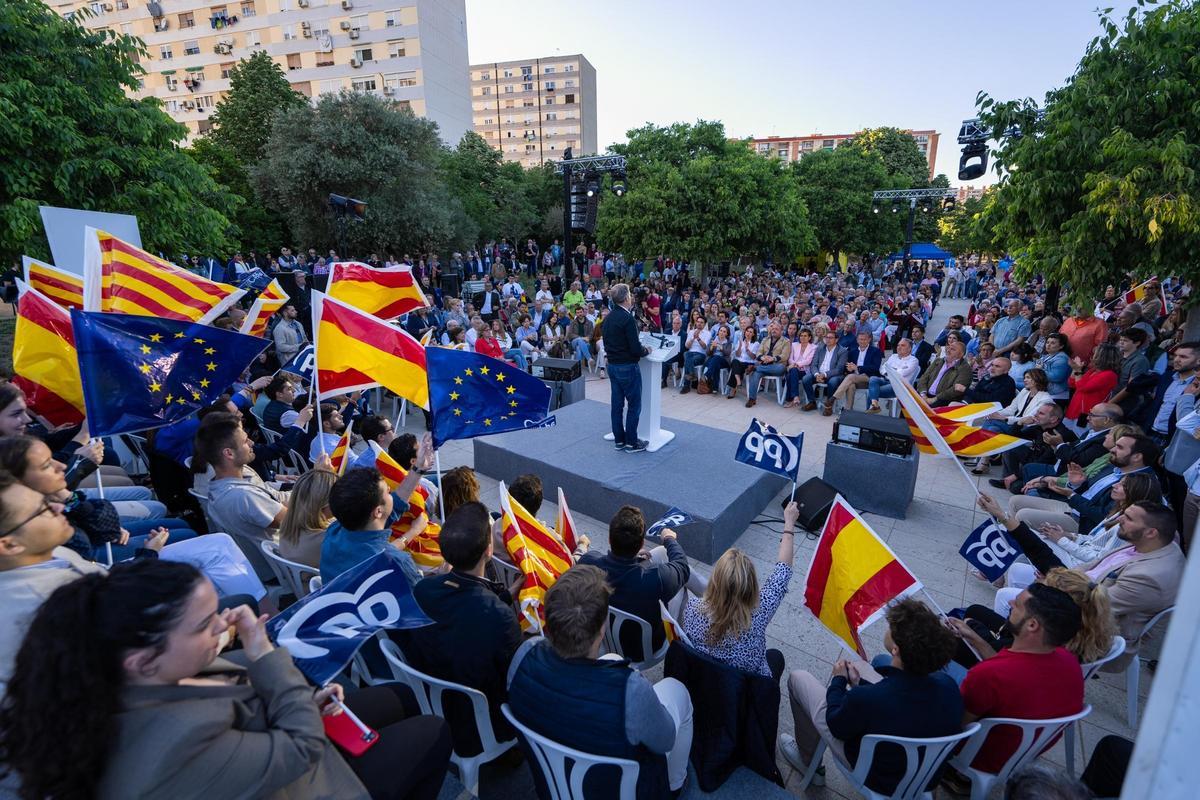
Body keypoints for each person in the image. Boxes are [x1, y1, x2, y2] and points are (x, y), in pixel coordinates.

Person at [0, 559, 453, 800]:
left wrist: (296, 699)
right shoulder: (169, 748)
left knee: (397, 695)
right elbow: (300, 748)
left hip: (265, 738)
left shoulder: (133, 677)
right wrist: (262, 652)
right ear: (141, 660)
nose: (223, 625)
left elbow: (241, 703)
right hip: (300, 774)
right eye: (202, 624)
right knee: (434, 732)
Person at [506, 565, 694, 799]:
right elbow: (665, 741)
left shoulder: (524, 655)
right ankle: (675, 785)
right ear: (603, 627)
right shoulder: (630, 690)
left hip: (551, 781)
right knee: (677, 691)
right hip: (624, 789)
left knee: (612, 660)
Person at [981, 493, 1183, 671]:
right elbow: (1077, 570)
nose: (1119, 518)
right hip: (1079, 598)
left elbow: (1088, 607)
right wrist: (1003, 516)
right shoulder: (1147, 543)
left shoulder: (1150, 576)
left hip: (1087, 635)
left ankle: (1011, 662)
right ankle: (1007, 646)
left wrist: (1053, 584)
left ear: (1151, 532)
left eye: (1128, 518)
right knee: (1016, 578)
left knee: (1006, 601)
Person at [781, 600, 964, 793]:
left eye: (890, 627)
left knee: (798, 679)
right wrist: (860, 683)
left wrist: (838, 681)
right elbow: (896, 698)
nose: (887, 629)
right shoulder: (949, 687)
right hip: (925, 778)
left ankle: (807, 760)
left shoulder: (866, 699)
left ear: (896, 649)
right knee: (860, 666)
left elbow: (836, 725)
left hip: (875, 776)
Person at [398, 501, 522, 755]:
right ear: (489, 551)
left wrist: (505, 596)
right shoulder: (500, 618)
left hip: (430, 702)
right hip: (482, 727)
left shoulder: (422, 590)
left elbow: (464, 611)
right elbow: (514, 683)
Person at [942, 582, 1085, 787]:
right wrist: (973, 637)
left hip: (976, 756)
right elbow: (1005, 670)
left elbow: (956, 726)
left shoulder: (989, 675)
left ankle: (958, 778)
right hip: (1025, 753)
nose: (1010, 602)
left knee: (927, 665)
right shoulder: (1068, 660)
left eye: (1017, 604)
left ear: (1032, 625)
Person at [683, 502, 798, 679]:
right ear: (752, 587)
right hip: (745, 691)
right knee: (776, 657)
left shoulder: (692, 608)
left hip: (706, 682)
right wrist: (789, 523)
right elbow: (783, 571)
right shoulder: (759, 614)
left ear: (714, 582)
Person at [579, 505, 707, 662]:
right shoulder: (658, 580)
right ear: (641, 544)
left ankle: (712, 595)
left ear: (609, 539)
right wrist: (669, 539)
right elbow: (681, 565)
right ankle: (696, 630)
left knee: (660, 552)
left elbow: (587, 557)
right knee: (681, 581)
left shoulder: (588, 563)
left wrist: (635, 559)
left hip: (607, 641)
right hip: (650, 650)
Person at [319, 466, 426, 585]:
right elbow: (421, 598)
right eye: (388, 492)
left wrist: (418, 469)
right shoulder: (397, 563)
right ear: (378, 511)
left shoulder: (333, 531)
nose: (391, 490)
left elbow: (393, 506)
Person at [603, 284, 650, 453]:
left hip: (613, 366)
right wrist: (647, 350)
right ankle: (632, 442)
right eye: (630, 294)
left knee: (617, 405)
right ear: (625, 298)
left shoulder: (608, 318)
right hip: (627, 367)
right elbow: (636, 349)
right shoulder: (627, 318)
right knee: (634, 405)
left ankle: (619, 441)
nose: (631, 297)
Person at [276, 467, 337, 578]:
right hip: (320, 589)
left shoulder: (289, 524)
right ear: (325, 504)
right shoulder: (326, 539)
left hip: (303, 584)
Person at [831, 330, 883, 411]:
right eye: (860, 339)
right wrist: (848, 369)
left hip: (870, 379)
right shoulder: (853, 352)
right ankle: (848, 410)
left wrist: (858, 368)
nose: (862, 341)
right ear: (857, 340)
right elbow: (848, 368)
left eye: (864, 339)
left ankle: (833, 398)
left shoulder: (875, 351)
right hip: (855, 379)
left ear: (869, 340)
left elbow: (875, 368)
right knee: (851, 385)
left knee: (851, 377)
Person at [865, 337, 921, 412]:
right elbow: (882, 368)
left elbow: (902, 373)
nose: (899, 347)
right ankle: (875, 405)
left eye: (903, 345)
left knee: (871, 392)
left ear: (909, 348)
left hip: (899, 386)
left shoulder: (913, 360)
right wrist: (891, 371)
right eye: (898, 345)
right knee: (873, 379)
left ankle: (870, 413)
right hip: (886, 381)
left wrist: (890, 370)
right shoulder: (893, 356)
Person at [801, 330, 848, 415]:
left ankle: (828, 406)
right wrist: (817, 374)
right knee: (806, 378)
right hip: (819, 374)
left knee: (833, 382)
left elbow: (839, 369)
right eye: (826, 337)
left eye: (831, 338)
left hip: (833, 375)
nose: (828, 340)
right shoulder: (820, 348)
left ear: (836, 340)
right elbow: (813, 365)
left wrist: (825, 375)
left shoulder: (842, 351)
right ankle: (812, 402)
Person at [915, 339, 973, 405]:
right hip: (925, 394)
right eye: (948, 348)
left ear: (961, 354)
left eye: (953, 349)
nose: (948, 351)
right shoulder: (938, 361)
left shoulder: (965, 369)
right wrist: (923, 395)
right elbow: (924, 377)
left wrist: (935, 398)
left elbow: (956, 390)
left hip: (943, 400)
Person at [747, 322, 790, 408]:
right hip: (764, 365)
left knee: (781, 368)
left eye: (776, 329)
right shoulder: (765, 339)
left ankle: (756, 368)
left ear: (781, 331)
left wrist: (772, 358)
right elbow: (759, 352)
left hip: (776, 366)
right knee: (755, 375)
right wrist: (762, 357)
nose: (774, 330)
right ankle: (752, 399)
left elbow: (785, 356)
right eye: (773, 329)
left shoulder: (786, 341)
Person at [783, 328, 817, 407]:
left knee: (789, 376)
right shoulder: (794, 345)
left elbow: (808, 361)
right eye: (801, 335)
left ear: (809, 337)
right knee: (793, 372)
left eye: (805, 336)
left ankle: (790, 399)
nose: (802, 337)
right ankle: (795, 397)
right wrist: (794, 365)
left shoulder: (813, 347)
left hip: (805, 371)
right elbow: (790, 358)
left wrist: (795, 365)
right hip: (794, 369)